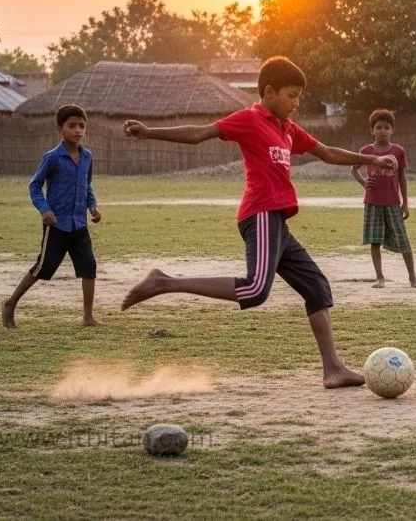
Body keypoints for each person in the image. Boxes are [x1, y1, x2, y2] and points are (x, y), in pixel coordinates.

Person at [120, 56, 397, 389]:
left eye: (298, 97)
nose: (296, 103)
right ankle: (163, 282)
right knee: (254, 290)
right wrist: (150, 132)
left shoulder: (287, 128)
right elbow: (200, 133)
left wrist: (371, 160)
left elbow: (325, 152)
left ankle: (333, 369)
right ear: (269, 91)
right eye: (291, 95)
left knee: (317, 288)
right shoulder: (249, 120)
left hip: (278, 221)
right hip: (260, 214)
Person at [2, 104, 102, 328]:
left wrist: (93, 206)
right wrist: (44, 209)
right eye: (72, 126)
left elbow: (87, 185)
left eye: (82, 126)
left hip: (79, 225)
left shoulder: (87, 157)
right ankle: (10, 304)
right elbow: (35, 186)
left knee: (89, 267)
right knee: (43, 268)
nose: (77, 130)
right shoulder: (53, 157)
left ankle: (88, 317)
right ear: (59, 128)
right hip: (56, 225)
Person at [351, 109, 416, 289]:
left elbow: (402, 177)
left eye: (386, 127)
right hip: (372, 203)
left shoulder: (398, 151)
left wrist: (405, 203)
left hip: (393, 203)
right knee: (375, 241)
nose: (382, 131)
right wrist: (364, 182)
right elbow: (354, 169)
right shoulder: (366, 151)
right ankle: (379, 278)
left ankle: (413, 278)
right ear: (372, 130)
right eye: (378, 127)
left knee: (403, 240)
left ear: (392, 130)